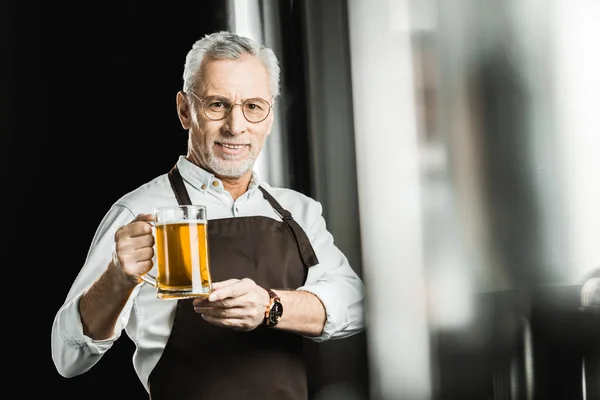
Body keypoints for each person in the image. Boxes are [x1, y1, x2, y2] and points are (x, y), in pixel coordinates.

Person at [50, 31, 365, 400]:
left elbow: (356, 304)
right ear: (185, 110)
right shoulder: (136, 213)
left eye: (253, 106)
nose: (236, 126)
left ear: (269, 117)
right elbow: (67, 357)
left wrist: (271, 306)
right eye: (217, 105)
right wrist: (117, 278)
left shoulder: (297, 211)